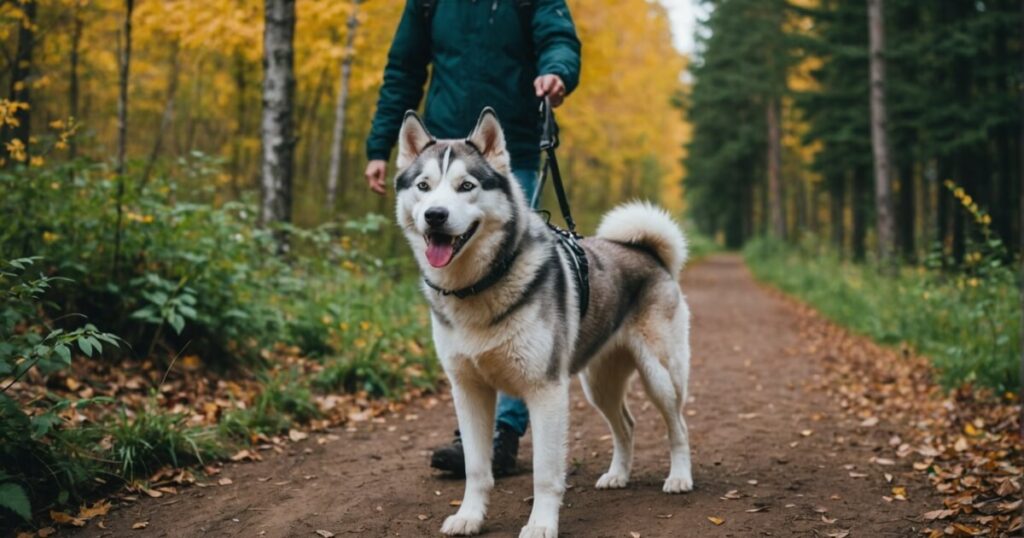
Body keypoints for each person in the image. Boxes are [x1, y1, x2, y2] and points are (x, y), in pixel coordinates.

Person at [364, 0, 581, 477]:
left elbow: (558, 37)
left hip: (506, 151)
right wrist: (380, 145)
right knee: (460, 286)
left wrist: (557, 72)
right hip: (437, 152)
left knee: (517, 293)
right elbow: (402, 67)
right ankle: (477, 433)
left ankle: (504, 431)